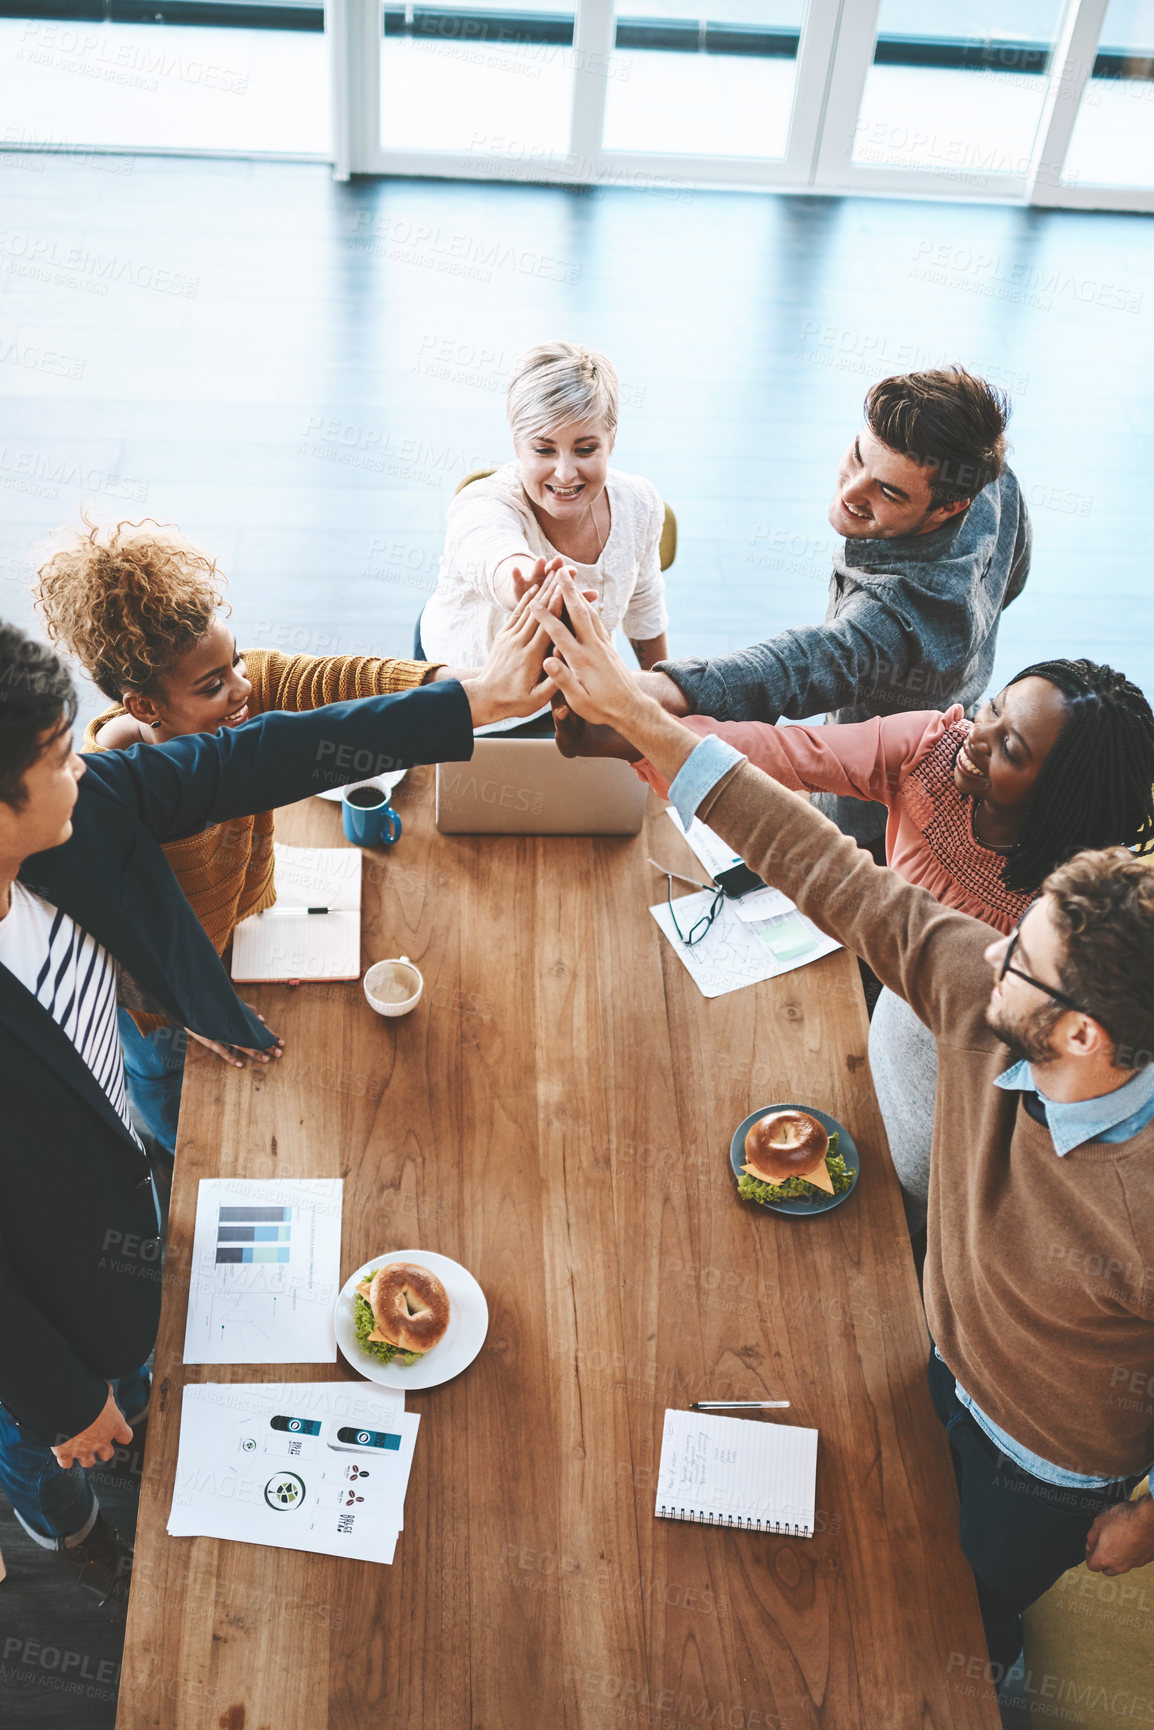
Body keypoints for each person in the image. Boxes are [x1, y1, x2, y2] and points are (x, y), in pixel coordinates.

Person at [533, 571, 1154, 1674]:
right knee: (891, 1526)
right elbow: (826, 868)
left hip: (1048, 1462)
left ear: (1079, 1039)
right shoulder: (983, 990)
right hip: (940, 1344)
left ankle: (986, 1659)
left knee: (963, 1597)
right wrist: (636, 716)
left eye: (1020, 957)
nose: (979, 949)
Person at [0, 600, 552, 1608]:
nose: (86, 757)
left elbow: (254, 756)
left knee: (135, 1351)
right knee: (52, 1434)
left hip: (110, 1181)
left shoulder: (82, 816)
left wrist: (467, 699)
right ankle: (60, 1518)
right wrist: (60, 1397)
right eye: (56, 754)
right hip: (30, 1283)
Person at [577, 660, 1154, 1227]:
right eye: (993, 708)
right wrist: (642, 732)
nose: (978, 737)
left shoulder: (1066, 925)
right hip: (882, 1070)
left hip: (951, 1173)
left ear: (1060, 796)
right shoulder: (933, 749)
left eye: (1011, 750)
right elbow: (787, 758)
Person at [34, 517, 481, 1155]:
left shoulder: (247, 690)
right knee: (163, 1086)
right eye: (212, 685)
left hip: (243, 924)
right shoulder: (104, 795)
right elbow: (119, 937)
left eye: (236, 659)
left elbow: (343, 683)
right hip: (164, 991)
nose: (243, 688)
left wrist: (456, 687)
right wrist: (187, 1007)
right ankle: (161, 1150)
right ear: (144, 707)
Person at [630, 366, 1032, 845]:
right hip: (957, 705)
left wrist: (641, 690)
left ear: (949, 506)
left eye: (888, 491)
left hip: (874, 806)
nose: (851, 491)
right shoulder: (990, 477)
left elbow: (801, 663)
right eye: (858, 457)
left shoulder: (901, 615)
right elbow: (1016, 575)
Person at [416, 340, 669, 672]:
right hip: (467, 688)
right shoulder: (483, 504)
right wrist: (519, 583)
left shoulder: (639, 504)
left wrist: (662, 695)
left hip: (568, 686)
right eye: (544, 450)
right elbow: (492, 552)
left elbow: (643, 603)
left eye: (585, 449)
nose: (565, 474)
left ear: (612, 439)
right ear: (517, 445)